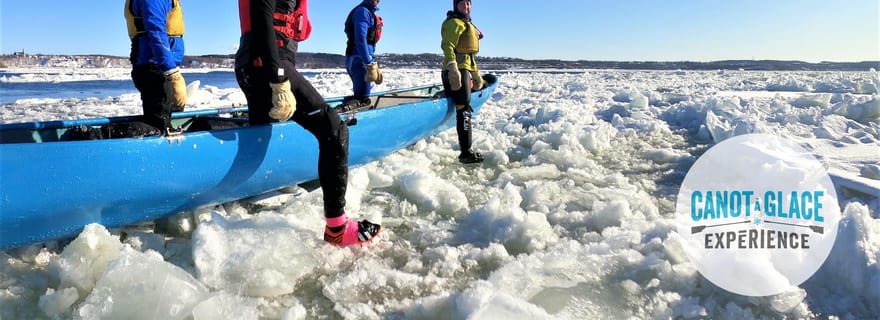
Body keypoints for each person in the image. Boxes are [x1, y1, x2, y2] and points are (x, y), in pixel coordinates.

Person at [236, 0, 381, 246]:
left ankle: (239, 185)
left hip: (254, 65)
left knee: (260, 132)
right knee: (334, 130)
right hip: (268, 66)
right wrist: (278, 78)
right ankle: (337, 228)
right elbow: (262, 19)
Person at [125, 0, 188, 136]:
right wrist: (172, 73)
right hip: (155, 68)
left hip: (158, 67)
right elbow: (156, 32)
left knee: (163, 119)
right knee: (159, 126)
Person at [441, 0, 485, 164]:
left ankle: (466, 150)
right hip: (455, 71)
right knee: (464, 107)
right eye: (462, 4)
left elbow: (468, 56)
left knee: (465, 105)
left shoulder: (467, 23)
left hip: (465, 68)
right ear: (456, 6)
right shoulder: (454, 23)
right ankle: (465, 153)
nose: (466, 6)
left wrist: (476, 75)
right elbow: (447, 45)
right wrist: (452, 67)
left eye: (468, 3)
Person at [340, 0, 384, 111]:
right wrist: (368, 63)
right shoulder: (363, 12)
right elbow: (360, 39)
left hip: (358, 58)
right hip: (359, 59)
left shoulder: (366, 11)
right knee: (363, 98)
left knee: (361, 95)